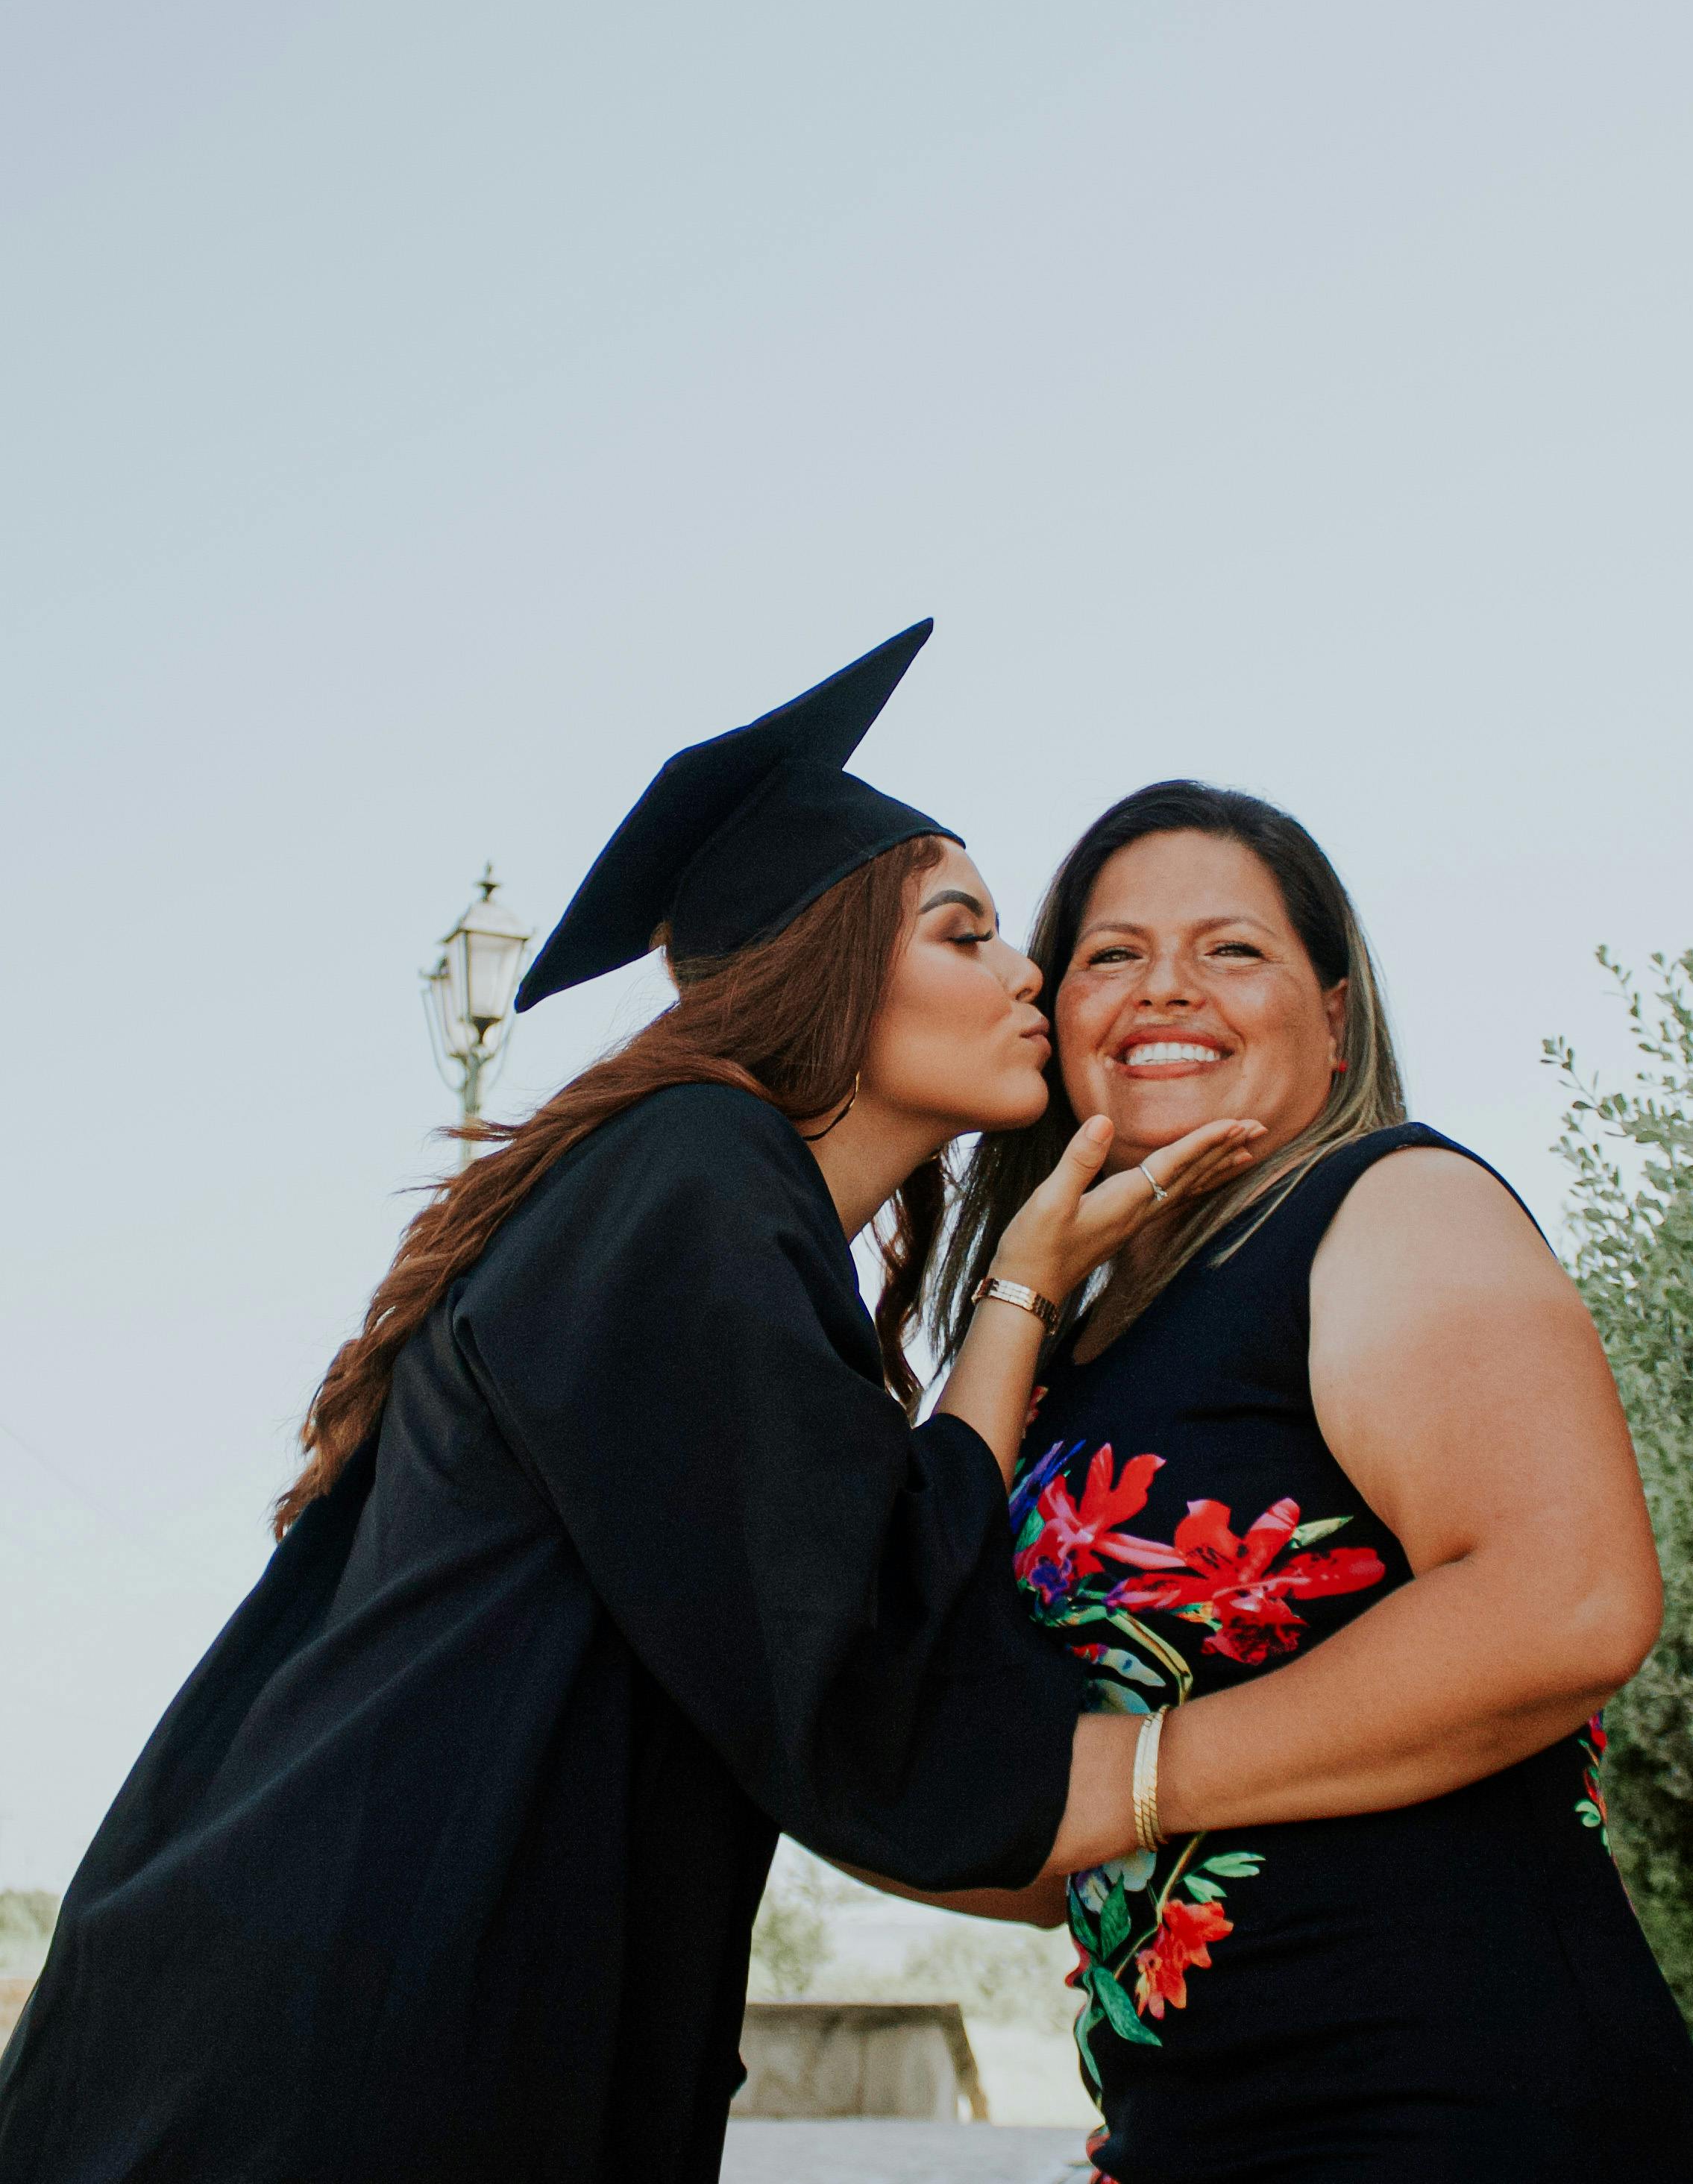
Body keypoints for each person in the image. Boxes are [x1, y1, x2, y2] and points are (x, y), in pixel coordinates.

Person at [0, 632, 1260, 2184]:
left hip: (364, 2006)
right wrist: (1023, 1290)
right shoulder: (691, 1173)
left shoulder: (706, 1206)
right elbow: (859, 1663)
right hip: (340, 2049)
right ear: (829, 955)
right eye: (967, 929)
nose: (1031, 974)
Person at [915, 780, 1693, 2184]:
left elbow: (1570, 1600)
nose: (1165, 987)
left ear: (1334, 1016)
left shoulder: (1387, 1203)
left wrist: (1133, 1774)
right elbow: (1037, 1842)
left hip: (1449, 2098)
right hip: (1196, 2124)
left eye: (1232, 950)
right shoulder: (1068, 1355)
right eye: (1111, 954)